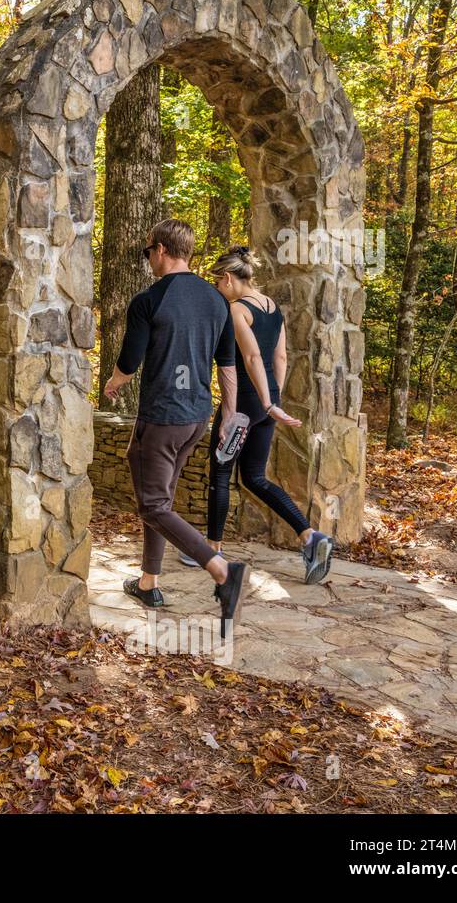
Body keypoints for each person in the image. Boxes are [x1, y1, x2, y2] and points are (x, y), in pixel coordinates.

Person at [102, 219, 250, 637]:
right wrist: (228, 418)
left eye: (148, 250)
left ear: (163, 250)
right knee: (159, 498)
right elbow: (228, 365)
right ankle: (148, 583)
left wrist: (113, 382)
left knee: (152, 506)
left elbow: (130, 361)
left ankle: (221, 569)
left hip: (163, 416)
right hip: (197, 418)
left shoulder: (150, 299)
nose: (147, 258)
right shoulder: (215, 300)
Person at [176, 246, 334, 585]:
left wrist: (262, 402)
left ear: (230, 279)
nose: (218, 288)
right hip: (264, 406)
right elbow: (280, 358)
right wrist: (274, 398)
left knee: (220, 472)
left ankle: (212, 550)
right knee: (254, 478)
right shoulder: (272, 307)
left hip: (247, 406)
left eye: (219, 282)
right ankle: (309, 536)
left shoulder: (236, 310)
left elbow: (249, 359)